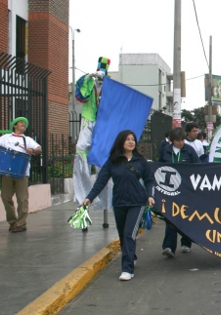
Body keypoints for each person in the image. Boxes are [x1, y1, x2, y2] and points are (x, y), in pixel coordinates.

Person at [82, 130, 154, 281]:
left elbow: (149, 180)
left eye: (133, 139)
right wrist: (89, 198)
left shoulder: (141, 161)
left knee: (129, 233)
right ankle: (131, 256)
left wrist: (150, 196)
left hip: (137, 202)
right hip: (119, 203)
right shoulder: (113, 161)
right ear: (121, 142)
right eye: (127, 139)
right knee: (123, 234)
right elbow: (101, 181)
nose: (131, 142)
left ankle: (127, 269)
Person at [73, 57, 112, 210]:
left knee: (103, 158)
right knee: (80, 148)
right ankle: (83, 192)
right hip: (89, 118)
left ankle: (103, 201)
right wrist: (89, 78)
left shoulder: (110, 85)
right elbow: (82, 95)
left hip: (103, 122)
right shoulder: (89, 81)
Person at [0, 117, 42, 233]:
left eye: (25, 124)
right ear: (14, 126)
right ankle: (12, 221)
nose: (24, 125)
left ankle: (21, 224)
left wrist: (32, 150)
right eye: (21, 123)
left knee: (22, 199)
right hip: (7, 171)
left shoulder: (27, 139)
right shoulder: (5, 138)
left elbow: (39, 149)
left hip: (22, 172)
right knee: (5, 197)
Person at [160, 127, 200, 257]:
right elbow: (159, 167)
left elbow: (198, 167)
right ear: (172, 140)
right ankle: (168, 246)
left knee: (185, 216)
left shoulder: (189, 151)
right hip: (170, 189)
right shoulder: (165, 151)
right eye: (178, 141)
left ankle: (186, 243)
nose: (181, 143)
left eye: (183, 140)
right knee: (170, 217)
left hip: (186, 189)